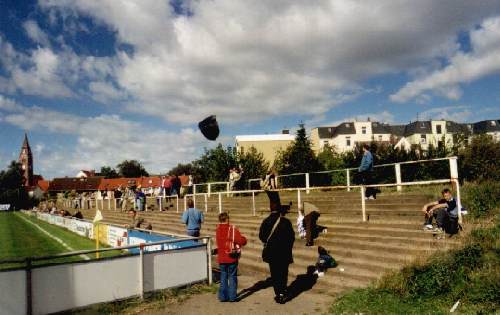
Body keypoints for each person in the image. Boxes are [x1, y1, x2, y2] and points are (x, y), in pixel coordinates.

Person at [259, 191, 295, 304]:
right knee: (283, 273)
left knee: (274, 274)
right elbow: (291, 238)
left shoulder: (266, 221)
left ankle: (278, 293)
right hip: (284, 253)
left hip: (272, 253)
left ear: (270, 207)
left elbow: (262, 237)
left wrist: (269, 244)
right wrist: (287, 248)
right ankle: (282, 293)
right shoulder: (286, 222)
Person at [216, 212, 247, 302]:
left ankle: (223, 297)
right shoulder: (232, 229)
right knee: (232, 276)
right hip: (231, 257)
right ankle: (232, 297)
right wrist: (244, 239)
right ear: (227, 219)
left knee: (223, 276)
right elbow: (241, 241)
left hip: (221, 257)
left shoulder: (217, 229)